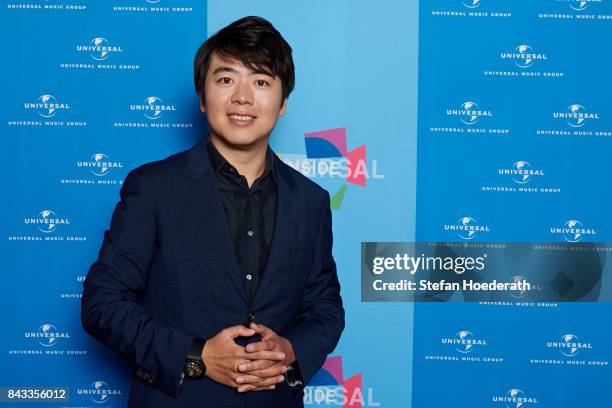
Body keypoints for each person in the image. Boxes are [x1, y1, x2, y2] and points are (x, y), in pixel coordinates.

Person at [81, 16, 345, 408]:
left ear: (283, 101)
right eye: (226, 79)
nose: (242, 97)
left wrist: (290, 350)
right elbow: (102, 303)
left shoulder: (310, 200)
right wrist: (195, 357)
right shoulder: (154, 188)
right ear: (203, 98)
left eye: (261, 82)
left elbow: (324, 309)